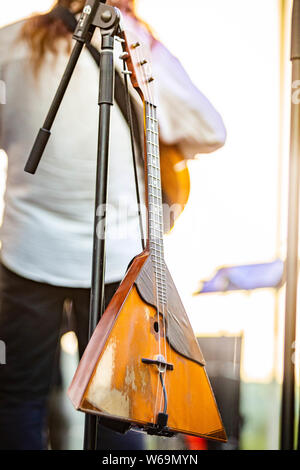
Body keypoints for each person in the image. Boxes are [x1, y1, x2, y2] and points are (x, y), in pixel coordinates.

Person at [0, 0, 226, 450]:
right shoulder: (135, 39)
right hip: (117, 259)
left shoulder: (9, 42)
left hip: (26, 249)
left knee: (17, 399)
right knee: (117, 405)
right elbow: (210, 131)